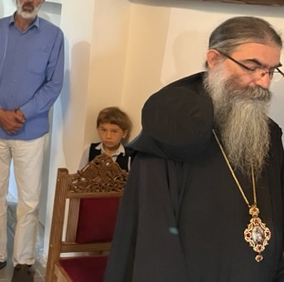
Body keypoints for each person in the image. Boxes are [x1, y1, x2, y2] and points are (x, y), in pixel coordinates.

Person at [105, 16, 284, 281]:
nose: (264, 82)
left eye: (271, 71)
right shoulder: (172, 130)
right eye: (252, 67)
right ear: (214, 60)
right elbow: (153, 241)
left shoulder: (268, 133)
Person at [0, 0, 64, 282]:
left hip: (31, 133)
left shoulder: (54, 36)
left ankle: (24, 262)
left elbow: (54, 85)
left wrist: (22, 114)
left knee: (29, 202)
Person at [78, 107, 132, 171]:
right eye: (104, 130)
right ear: (98, 130)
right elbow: (81, 174)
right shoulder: (89, 150)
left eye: (114, 131)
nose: (108, 136)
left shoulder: (129, 157)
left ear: (124, 133)